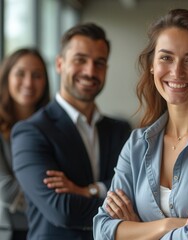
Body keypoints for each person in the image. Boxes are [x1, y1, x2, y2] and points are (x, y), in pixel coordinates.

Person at [93, 8, 188, 240]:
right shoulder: (137, 143)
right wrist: (166, 225)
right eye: (166, 58)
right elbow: (101, 230)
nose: (177, 71)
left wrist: (134, 231)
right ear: (152, 65)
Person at [11, 23, 131, 240]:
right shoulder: (30, 132)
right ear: (59, 63)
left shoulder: (120, 130)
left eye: (99, 63)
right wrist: (120, 204)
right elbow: (62, 210)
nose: (90, 71)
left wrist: (89, 191)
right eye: (80, 60)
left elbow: (134, 194)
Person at [0, 48, 50, 240]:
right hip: (10, 231)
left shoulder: (54, 125)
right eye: (20, 73)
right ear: (7, 77)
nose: (29, 82)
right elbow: (6, 190)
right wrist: (53, 200)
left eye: (37, 75)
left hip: (51, 229)